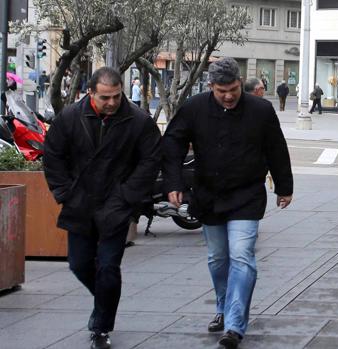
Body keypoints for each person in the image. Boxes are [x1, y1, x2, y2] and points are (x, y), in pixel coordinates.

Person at [162, 57, 293, 349]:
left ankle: (234, 325)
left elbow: (276, 148)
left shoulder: (260, 110)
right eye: (222, 91)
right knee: (218, 258)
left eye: (233, 88)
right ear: (211, 87)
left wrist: (284, 187)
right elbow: (172, 143)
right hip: (209, 196)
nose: (229, 95)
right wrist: (173, 183)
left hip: (247, 195)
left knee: (242, 255)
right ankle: (222, 306)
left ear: (239, 83)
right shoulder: (195, 107)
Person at [42, 67, 161, 349]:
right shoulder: (70, 118)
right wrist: (64, 193)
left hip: (116, 205)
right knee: (79, 264)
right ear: (90, 93)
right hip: (80, 203)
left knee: (108, 268)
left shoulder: (138, 121)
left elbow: (150, 160)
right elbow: (53, 156)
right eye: (105, 97)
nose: (111, 103)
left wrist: (127, 195)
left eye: (116, 96)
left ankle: (101, 327)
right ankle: (106, 300)